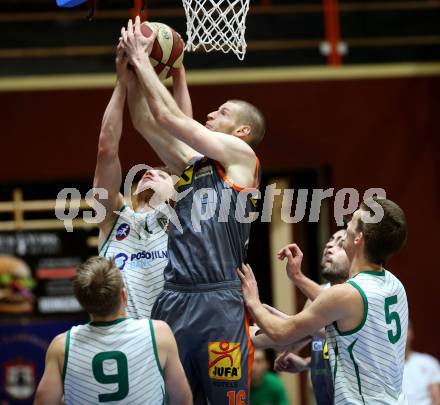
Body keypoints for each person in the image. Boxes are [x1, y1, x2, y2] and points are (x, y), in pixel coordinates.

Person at [120, 17, 265, 404]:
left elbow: (170, 118)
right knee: (169, 398)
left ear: (241, 132)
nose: (211, 114)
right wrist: (132, 71)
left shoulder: (242, 158)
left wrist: (145, 59)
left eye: (222, 111)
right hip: (174, 297)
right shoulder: (193, 165)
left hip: (219, 303)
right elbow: (145, 121)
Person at [238, 197, 409, 404]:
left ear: (358, 238)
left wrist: (253, 300)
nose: (346, 227)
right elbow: (331, 314)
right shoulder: (394, 285)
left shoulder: (346, 294)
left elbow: (280, 333)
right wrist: (297, 277)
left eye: (350, 223)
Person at [94, 44, 187, 318]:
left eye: (162, 173)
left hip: (176, 333)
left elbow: (184, 139)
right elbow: (106, 149)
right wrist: (121, 83)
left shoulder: (183, 214)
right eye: (150, 171)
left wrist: (178, 72)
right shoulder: (113, 218)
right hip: (127, 337)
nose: (152, 172)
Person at [34, 256, 192, 405]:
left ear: (83, 303)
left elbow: (43, 401)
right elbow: (182, 399)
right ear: (124, 296)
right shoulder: (158, 333)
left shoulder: (62, 346)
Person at [274, 228, 349, 405]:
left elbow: (292, 331)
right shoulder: (317, 296)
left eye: (341, 243)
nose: (329, 245)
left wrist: (256, 307)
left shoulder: (356, 296)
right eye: (330, 239)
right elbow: (297, 337)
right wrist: (307, 363)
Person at [402, 321, 440, 405]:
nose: (403, 335)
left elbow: (437, 400)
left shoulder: (429, 362)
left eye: (406, 329)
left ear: (411, 333)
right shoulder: (383, 368)